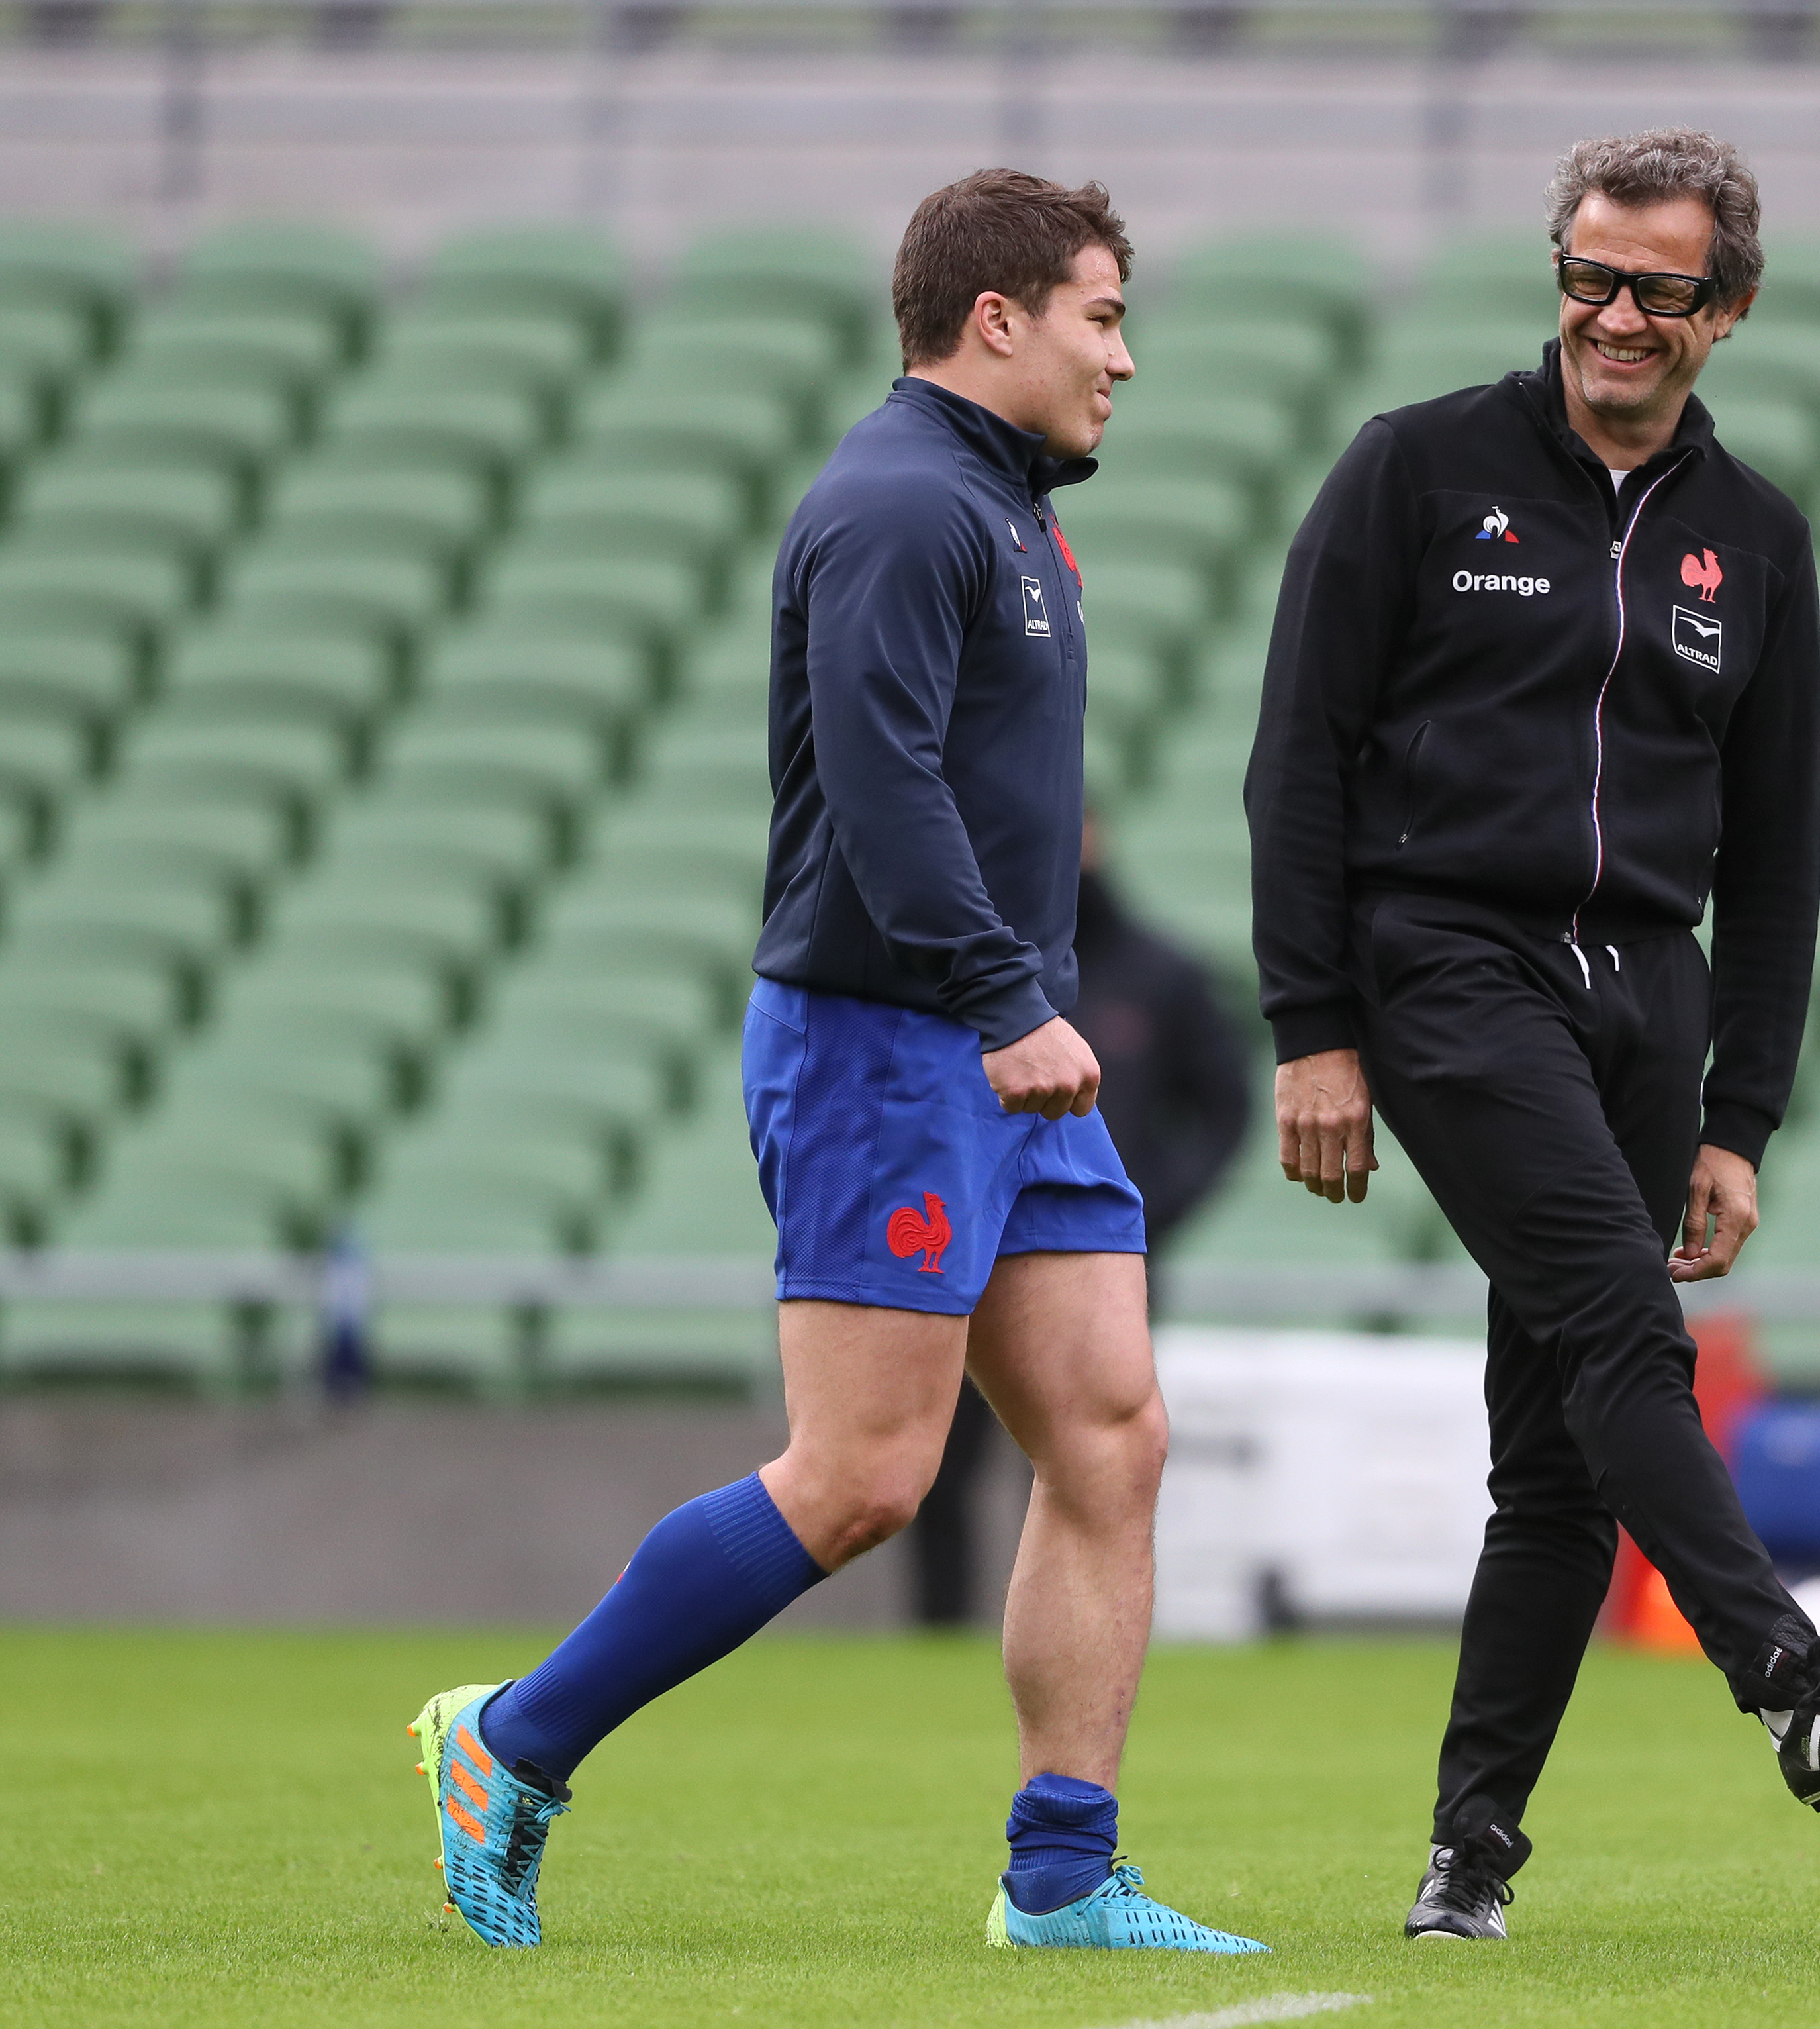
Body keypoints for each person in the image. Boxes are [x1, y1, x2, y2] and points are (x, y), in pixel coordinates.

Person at [409, 168, 1263, 1957]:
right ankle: (509, 1740)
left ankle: (1063, 1877)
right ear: (997, 319)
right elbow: (881, 787)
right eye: (1103, 316)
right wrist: (1006, 1002)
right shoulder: (898, 505)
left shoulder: (1008, 514)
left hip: (1006, 1045)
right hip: (899, 1041)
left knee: (1111, 1437)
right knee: (868, 1477)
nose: (1127, 356)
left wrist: (1026, 1009)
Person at [1245, 127, 1820, 1944]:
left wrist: (1746, 1119)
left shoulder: (1758, 541)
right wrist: (1313, 1029)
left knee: (1560, 1457)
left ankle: (1469, 1859)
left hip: (1652, 995)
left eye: (1657, 288)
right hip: (1449, 964)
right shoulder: (1417, 468)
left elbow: (1784, 855)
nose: (1613, 315)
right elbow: (1297, 765)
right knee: (1623, 1327)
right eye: (1586, 274)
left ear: (1725, 310)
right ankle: (1792, 1680)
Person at [910, 827, 1251, 1624]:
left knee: (1087, 1461)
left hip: (1099, 1257)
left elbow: (1223, 1108)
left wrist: (1149, 1208)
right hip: (964, 1247)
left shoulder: (1160, 974)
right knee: (935, 1466)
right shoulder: (977, 974)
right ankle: (935, 1640)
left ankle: (1076, 1635)